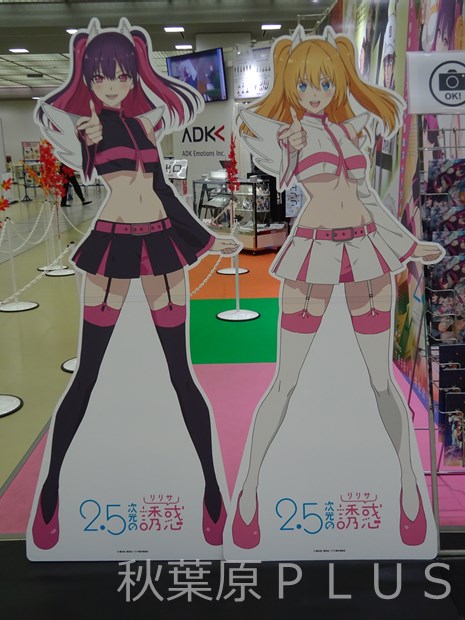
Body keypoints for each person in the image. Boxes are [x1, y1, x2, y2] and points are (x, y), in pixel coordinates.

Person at [31, 18, 239, 551]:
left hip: (162, 243)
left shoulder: (146, 125)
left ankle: (211, 486)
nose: (112, 84)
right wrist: (82, 136)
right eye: (101, 75)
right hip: (112, 244)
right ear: (88, 77)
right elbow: (62, 131)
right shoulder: (88, 129)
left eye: (121, 74)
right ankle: (50, 488)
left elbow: (163, 190)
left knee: (181, 373)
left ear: (133, 75)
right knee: (88, 373)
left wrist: (207, 238)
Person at [233, 25, 444, 550]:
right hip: (313, 255)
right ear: (291, 85)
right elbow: (259, 140)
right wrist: (285, 142)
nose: (315, 94)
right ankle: (249, 489)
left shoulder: (352, 130)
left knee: (381, 383)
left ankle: (408, 485)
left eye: (325, 84)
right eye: (304, 85)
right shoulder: (287, 134)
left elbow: (366, 197)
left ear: (339, 82)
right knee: (285, 382)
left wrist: (407, 245)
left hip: (367, 253)